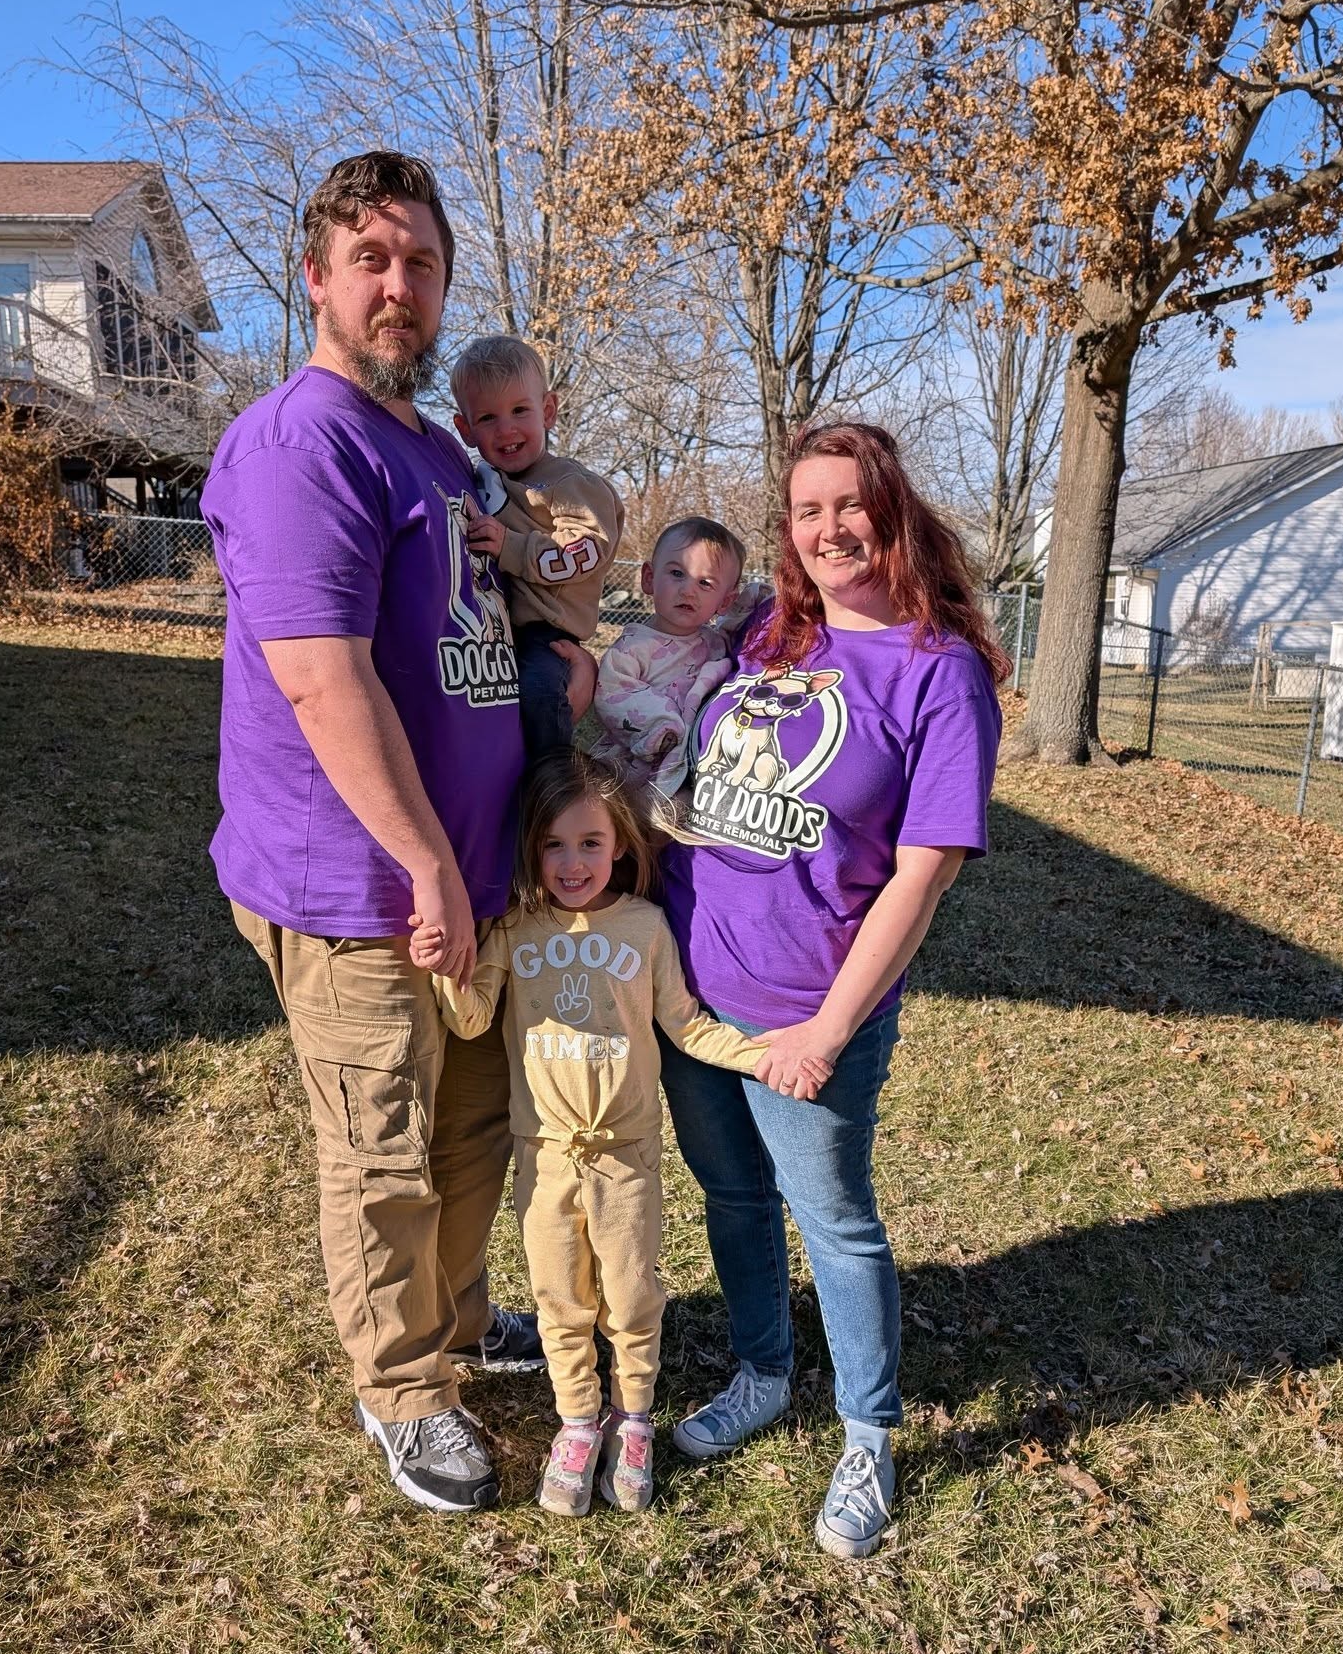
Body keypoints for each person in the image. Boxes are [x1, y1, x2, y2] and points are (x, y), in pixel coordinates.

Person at [202, 150, 592, 1517]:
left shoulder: (431, 446)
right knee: (380, 1148)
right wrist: (425, 860)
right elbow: (320, 674)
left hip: (475, 877)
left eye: (419, 262)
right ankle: (400, 1389)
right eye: (369, 258)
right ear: (316, 279)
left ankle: (455, 1318)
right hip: (360, 883)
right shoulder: (299, 444)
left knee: (473, 1134)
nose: (397, 284)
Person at [658, 420, 1007, 1560]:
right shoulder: (768, 627)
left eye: (848, 504)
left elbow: (926, 872)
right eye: (806, 510)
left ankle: (868, 1431)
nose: (828, 528)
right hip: (690, 990)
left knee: (836, 1220)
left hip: (809, 1006)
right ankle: (764, 1369)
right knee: (731, 1190)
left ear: (892, 507)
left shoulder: (939, 669)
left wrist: (831, 1024)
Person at [415, 752, 828, 1518]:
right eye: (555, 845)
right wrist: (446, 965)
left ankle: (631, 1418)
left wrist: (767, 1055)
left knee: (633, 1295)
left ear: (622, 846)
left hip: (627, 1159)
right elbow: (470, 1018)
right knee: (558, 1298)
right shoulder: (515, 927)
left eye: (591, 843)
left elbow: (686, 1026)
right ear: (532, 848)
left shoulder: (644, 928)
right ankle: (578, 1420)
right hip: (545, 1158)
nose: (573, 863)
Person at [451, 335, 625, 760]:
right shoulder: (480, 479)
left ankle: (553, 781)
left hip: (548, 631)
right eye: (488, 417)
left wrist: (511, 547)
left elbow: (588, 549)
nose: (506, 428)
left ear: (548, 411)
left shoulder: (568, 483)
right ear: (466, 429)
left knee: (538, 694)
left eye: (520, 411)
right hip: (497, 627)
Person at [592, 516, 763, 799]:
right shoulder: (633, 647)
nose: (688, 590)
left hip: (695, 763)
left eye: (705, 583)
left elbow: (738, 625)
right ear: (649, 578)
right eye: (676, 574)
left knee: (686, 812)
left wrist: (756, 602)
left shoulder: (714, 642)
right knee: (644, 816)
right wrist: (660, 726)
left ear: (724, 601)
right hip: (640, 763)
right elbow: (612, 693)